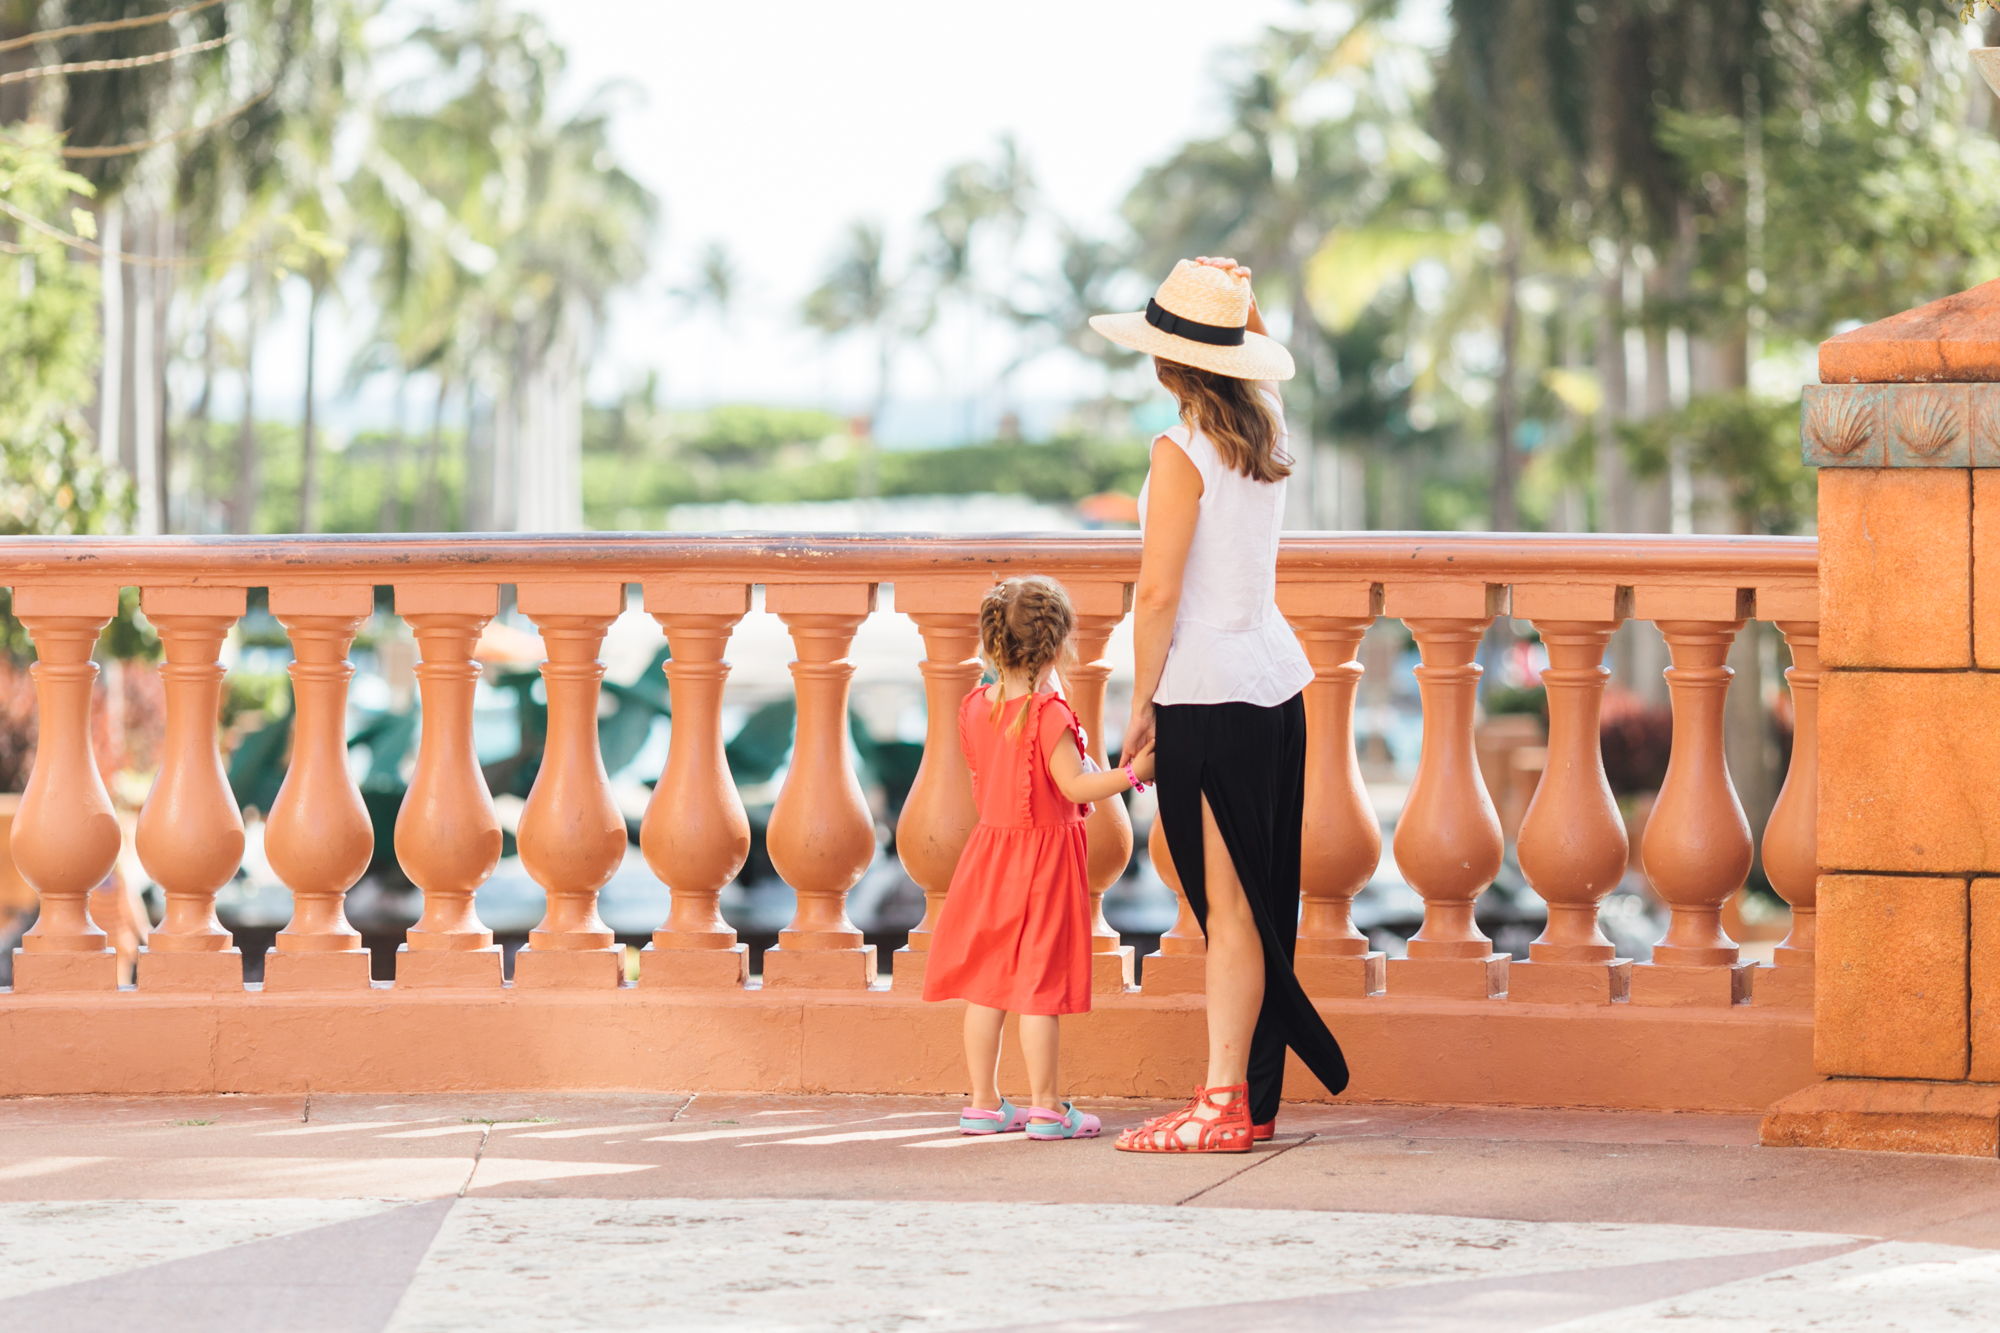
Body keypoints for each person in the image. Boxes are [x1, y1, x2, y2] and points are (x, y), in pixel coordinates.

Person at [1090, 257, 1350, 1154]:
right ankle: (1255, 1098)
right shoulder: (1262, 431)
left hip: (1207, 692)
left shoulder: (1178, 452)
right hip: (1275, 687)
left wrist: (1140, 702)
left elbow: (1156, 596)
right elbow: (1266, 357)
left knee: (1231, 914)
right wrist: (1243, 304)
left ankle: (1221, 1104)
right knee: (1262, 903)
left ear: (1165, 361)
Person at [923, 575, 1158, 1141]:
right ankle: (1048, 1108)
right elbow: (1074, 788)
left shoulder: (977, 706)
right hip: (1041, 865)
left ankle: (983, 1105)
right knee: (1037, 989)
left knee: (987, 986)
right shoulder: (1050, 714)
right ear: (1057, 646)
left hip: (989, 857)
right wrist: (1133, 775)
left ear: (991, 643)